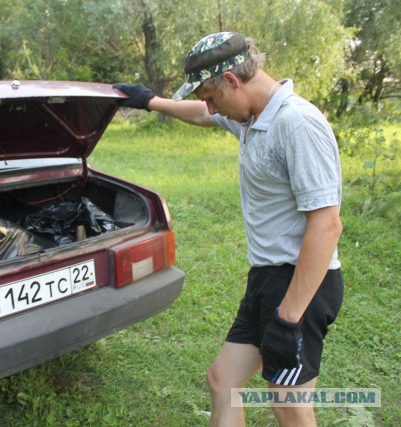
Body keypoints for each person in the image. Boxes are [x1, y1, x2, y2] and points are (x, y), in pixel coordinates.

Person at [114, 32, 343, 427]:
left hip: (300, 284)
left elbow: (327, 227)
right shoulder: (253, 116)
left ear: (233, 81)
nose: (209, 105)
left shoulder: (297, 123)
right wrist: (149, 101)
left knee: (288, 403)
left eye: (211, 95)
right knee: (224, 381)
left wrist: (288, 319)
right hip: (267, 278)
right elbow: (205, 115)